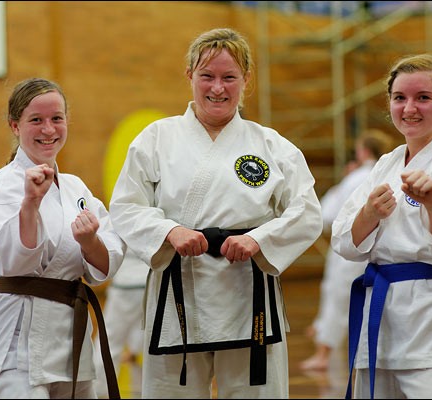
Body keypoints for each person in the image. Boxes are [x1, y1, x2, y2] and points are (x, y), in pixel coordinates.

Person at [108, 27, 323, 399]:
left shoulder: (272, 146)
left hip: (248, 291)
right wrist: (169, 232)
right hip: (178, 288)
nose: (217, 88)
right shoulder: (155, 139)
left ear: (246, 80)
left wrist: (258, 239)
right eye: (207, 76)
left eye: (229, 77)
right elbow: (126, 206)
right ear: (189, 75)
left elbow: (306, 212)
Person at [331, 54, 432, 399]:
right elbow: (343, 241)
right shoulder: (385, 165)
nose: (409, 108)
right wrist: (369, 214)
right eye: (399, 97)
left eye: (423, 97)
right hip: (381, 315)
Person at [0, 77, 125, 399]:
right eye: (36, 120)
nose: (48, 129)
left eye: (57, 118)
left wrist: (90, 242)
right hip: (16, 341)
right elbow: (10, 261)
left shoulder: (75, 188)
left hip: (71, 339)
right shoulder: (3, 186)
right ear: (15, 126)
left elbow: (107, 263)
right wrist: (30, 203)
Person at [300, 129, 394, 372]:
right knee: (374, 302)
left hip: (350, 247)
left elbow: (327, 215)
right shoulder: (389, 173)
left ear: (363, 151)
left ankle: (323, 355)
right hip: (383, 251)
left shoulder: (355, 178)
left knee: (337, 298)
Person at [92, 248, 149, 398]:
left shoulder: (113, 222)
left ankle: (100, 392)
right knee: (146, 345)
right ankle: (143, 393)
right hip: (151, 281)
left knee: (109, 342)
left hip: (125, 282)